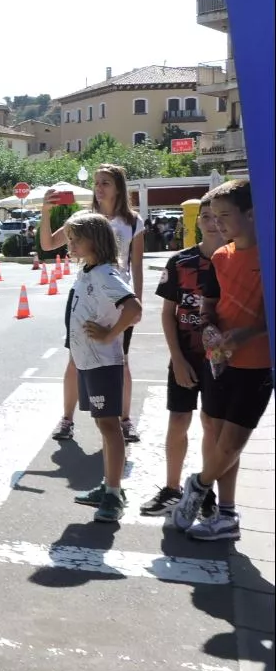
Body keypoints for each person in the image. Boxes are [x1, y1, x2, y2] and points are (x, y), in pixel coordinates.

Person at [174, 180, 271, 540]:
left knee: (232, 443)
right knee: (216, 437)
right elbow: (209, 305)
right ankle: (226, 515)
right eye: (213, 217)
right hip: (218, 361)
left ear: (251, 213)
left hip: (257, 365)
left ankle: (198, 485)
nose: (217, 224)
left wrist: (249, 334)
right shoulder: (219, 258)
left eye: (225, 215)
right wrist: (209, 328)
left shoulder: (268, 255)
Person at [42, 165, 144, 445]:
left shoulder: (132, 221)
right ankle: (67, 419)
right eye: (97, 182)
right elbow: (48, 244)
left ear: (119, 187)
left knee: (121, 359)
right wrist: (46, 212)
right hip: (86, 297)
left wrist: (137, 301)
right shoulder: (83, 219)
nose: (99, 188)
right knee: (75, 358)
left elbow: (136, 265)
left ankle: (125, 420)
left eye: (105, 183)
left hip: (118, 299)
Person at [140, 198, 228, 517]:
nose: (211, 222)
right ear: (197, 222)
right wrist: (176, 358)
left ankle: (206, 491)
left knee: (212, 424)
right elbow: (168, 313)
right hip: (186, 356)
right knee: (178, 420)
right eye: (205, 216)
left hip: (222, 359)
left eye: (217, 216)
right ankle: (172, 489)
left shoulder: (235, 260)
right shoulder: (180, 261)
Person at [58, 211, 143, 522]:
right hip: (87, 361)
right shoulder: (88, 270)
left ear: (95, 241)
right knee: (102, 425)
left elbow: (134, 308)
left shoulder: (106, 273)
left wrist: (110, 334)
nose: (70, 244)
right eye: (69, 239)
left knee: (109, 427)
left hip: (102, 362)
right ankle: (108, 485)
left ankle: (114, 494)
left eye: (76, 239)